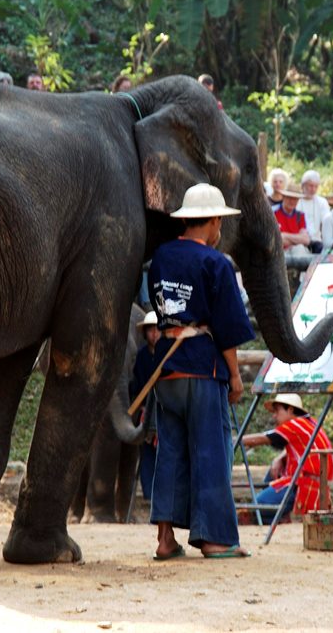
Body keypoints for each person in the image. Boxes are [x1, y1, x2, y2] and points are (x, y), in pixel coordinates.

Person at [147, 183, 253, 560]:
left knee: (170, 452)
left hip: (167, 369)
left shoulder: (161, 257)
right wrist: (235, 375)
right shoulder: (215, 263)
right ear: (209, 222)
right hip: (201, 369)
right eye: (219, 222)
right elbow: (225, 325)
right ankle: (215, 539)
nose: (220, 230)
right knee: (210, 452)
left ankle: (165, 539)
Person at [240, 394, 333, 519]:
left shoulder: (295, 425)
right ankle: (273, 512)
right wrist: (279, 458)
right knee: (272, 473)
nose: (274, 415)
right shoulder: (310, 423)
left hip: (303, 484)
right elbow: (302, 446)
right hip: (311, 482)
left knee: (257, 506)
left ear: (290, 410)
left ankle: (273, 513)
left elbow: (263, 438)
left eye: (277, 410)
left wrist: (234, 440)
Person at [130, 311, 162, 501]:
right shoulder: (142, 357)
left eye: (157, 329)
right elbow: (136, 385)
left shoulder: (167, 353)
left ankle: (163, 494)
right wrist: (143, 408)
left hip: (166, 408)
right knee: (147, 451)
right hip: (146, 409)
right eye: (150, 330)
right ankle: (149, 493)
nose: (154, 334)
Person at [296, 170, 330, 254]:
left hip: (317, 241)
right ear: (303, 185)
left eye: (316, 186)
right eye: (311, 186)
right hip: (299, 241)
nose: (313, 189)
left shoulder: (322, 202)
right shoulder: (296, 201)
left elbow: (326, 224)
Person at [273, 186, 311, 257]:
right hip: (278, 254)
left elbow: (306, 240)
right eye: (289, 198)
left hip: (297, 252)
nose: (292, 201)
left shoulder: (300, 215)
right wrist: (297, 239)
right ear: (283, 197)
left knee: (300, 248)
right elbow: (275, 240)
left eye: (295, 199)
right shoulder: (273, 213)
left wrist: (284, 235)